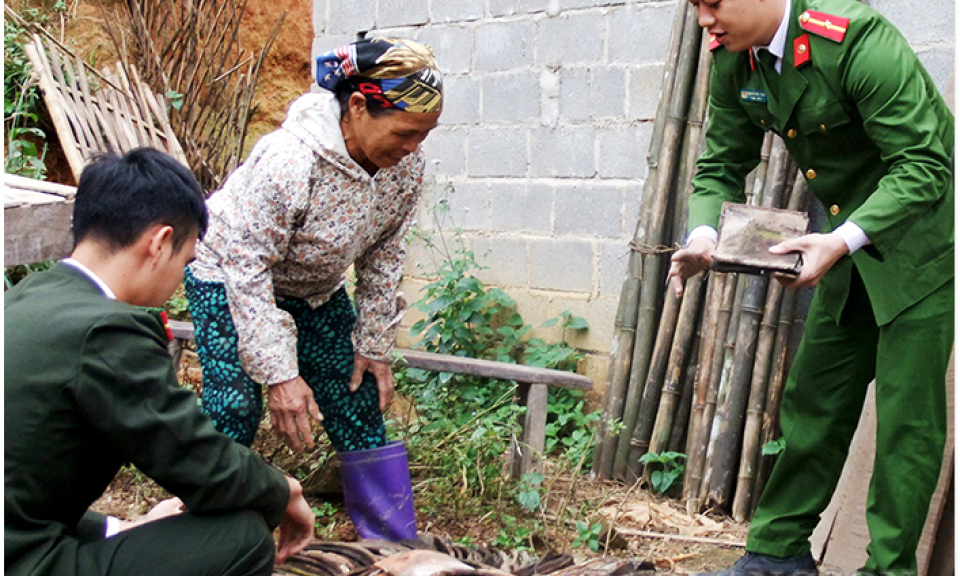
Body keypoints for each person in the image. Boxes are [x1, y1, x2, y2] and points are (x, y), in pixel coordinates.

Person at [668, 0, 953, 573]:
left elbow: (925, 162)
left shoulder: (855, 40)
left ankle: (888, 569)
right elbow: (720, 162)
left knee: (906, 426)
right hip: (848, 245)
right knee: (814, 402)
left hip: (923, 241)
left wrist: (840, 240)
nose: (704, 19)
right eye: (694, 5)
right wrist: (704, 236)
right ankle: (777, 556)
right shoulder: (734, 60)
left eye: (713, 2)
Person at [4, 148, 315, 576]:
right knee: (241, 536)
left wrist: (121, 529)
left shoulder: (27, 297)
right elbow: (197, 459)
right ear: (159, 242)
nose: (179, 279)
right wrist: (284, 490)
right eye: (186, 262)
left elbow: (19, 499)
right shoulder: (106, 331)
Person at [184, 36, 443, 541]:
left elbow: (384, 253)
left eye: (425, 135)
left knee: (358, 392)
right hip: (228, 273)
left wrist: (373, 345)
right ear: (360, 106)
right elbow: (247, 267)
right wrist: (281, 374)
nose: (414, 147)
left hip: (314, 289)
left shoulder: (404, 168)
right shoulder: (289, 162)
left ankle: (390, 542)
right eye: (406, 131)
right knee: (235, 405)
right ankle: (207, 535)